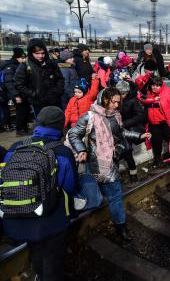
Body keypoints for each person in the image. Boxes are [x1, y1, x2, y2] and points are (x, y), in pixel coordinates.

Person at [1, 106, 78, 281]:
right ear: (60, 126)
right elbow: (70, 187)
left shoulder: (14, 148)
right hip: (50, 221)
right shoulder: (63, 152)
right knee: (52, 260)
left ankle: (39, 272)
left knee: (35, 248)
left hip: (16, 217)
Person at [68, 87, 150, 241]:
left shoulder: (116, 115)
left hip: (110, 162)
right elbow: (73, 134)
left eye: (119, 102)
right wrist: (81, 149)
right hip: (94, 163)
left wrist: (138, 135)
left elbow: (121, 133)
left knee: (112, 196)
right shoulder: (89, 117)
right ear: (105, 100)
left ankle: (120, 227)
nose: (117, 106)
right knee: (114, 196)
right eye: (114, 102)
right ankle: (120, 229)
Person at [138, 76, 170, 168]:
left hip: (165, 122)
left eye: (157, 85)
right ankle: (157, 160)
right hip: (153, 124)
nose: (154, 87)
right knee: (156, 142)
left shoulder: (168, 92)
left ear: (161, 85)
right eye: (153, 85)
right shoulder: (148, 93)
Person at [15, 38, 65, 116]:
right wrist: (34, 94)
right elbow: (19, 84)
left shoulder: (51, 64)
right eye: (37, 53)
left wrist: (57, 91)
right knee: (43, 124)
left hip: (54, 100)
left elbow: (60, 79)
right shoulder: (25, 66)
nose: (40, 56)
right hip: (38, 103)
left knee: (56, 122)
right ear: (31, 53)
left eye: (42, 53)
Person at [116, 80, 146, 182]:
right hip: (117, 129)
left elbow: (140, 116)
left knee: (127, 152)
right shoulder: (116, 99)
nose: (121, 96)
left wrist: (125, 123)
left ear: (127, 92)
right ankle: (118, 177)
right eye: (119, 93)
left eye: (123, 94)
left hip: (127, 129)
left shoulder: (132, 100)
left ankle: (133, 175)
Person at [1, 47, 26, 133]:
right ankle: (19, 129)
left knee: (24, 110)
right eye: (22, 58)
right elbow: (9, 83)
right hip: (17, 94)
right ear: (17, 57)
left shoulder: (19, 65)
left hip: (22, 92)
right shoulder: (10, 67)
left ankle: (24, 127)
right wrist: (16, 95)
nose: (24, 59)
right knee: (20, 111)